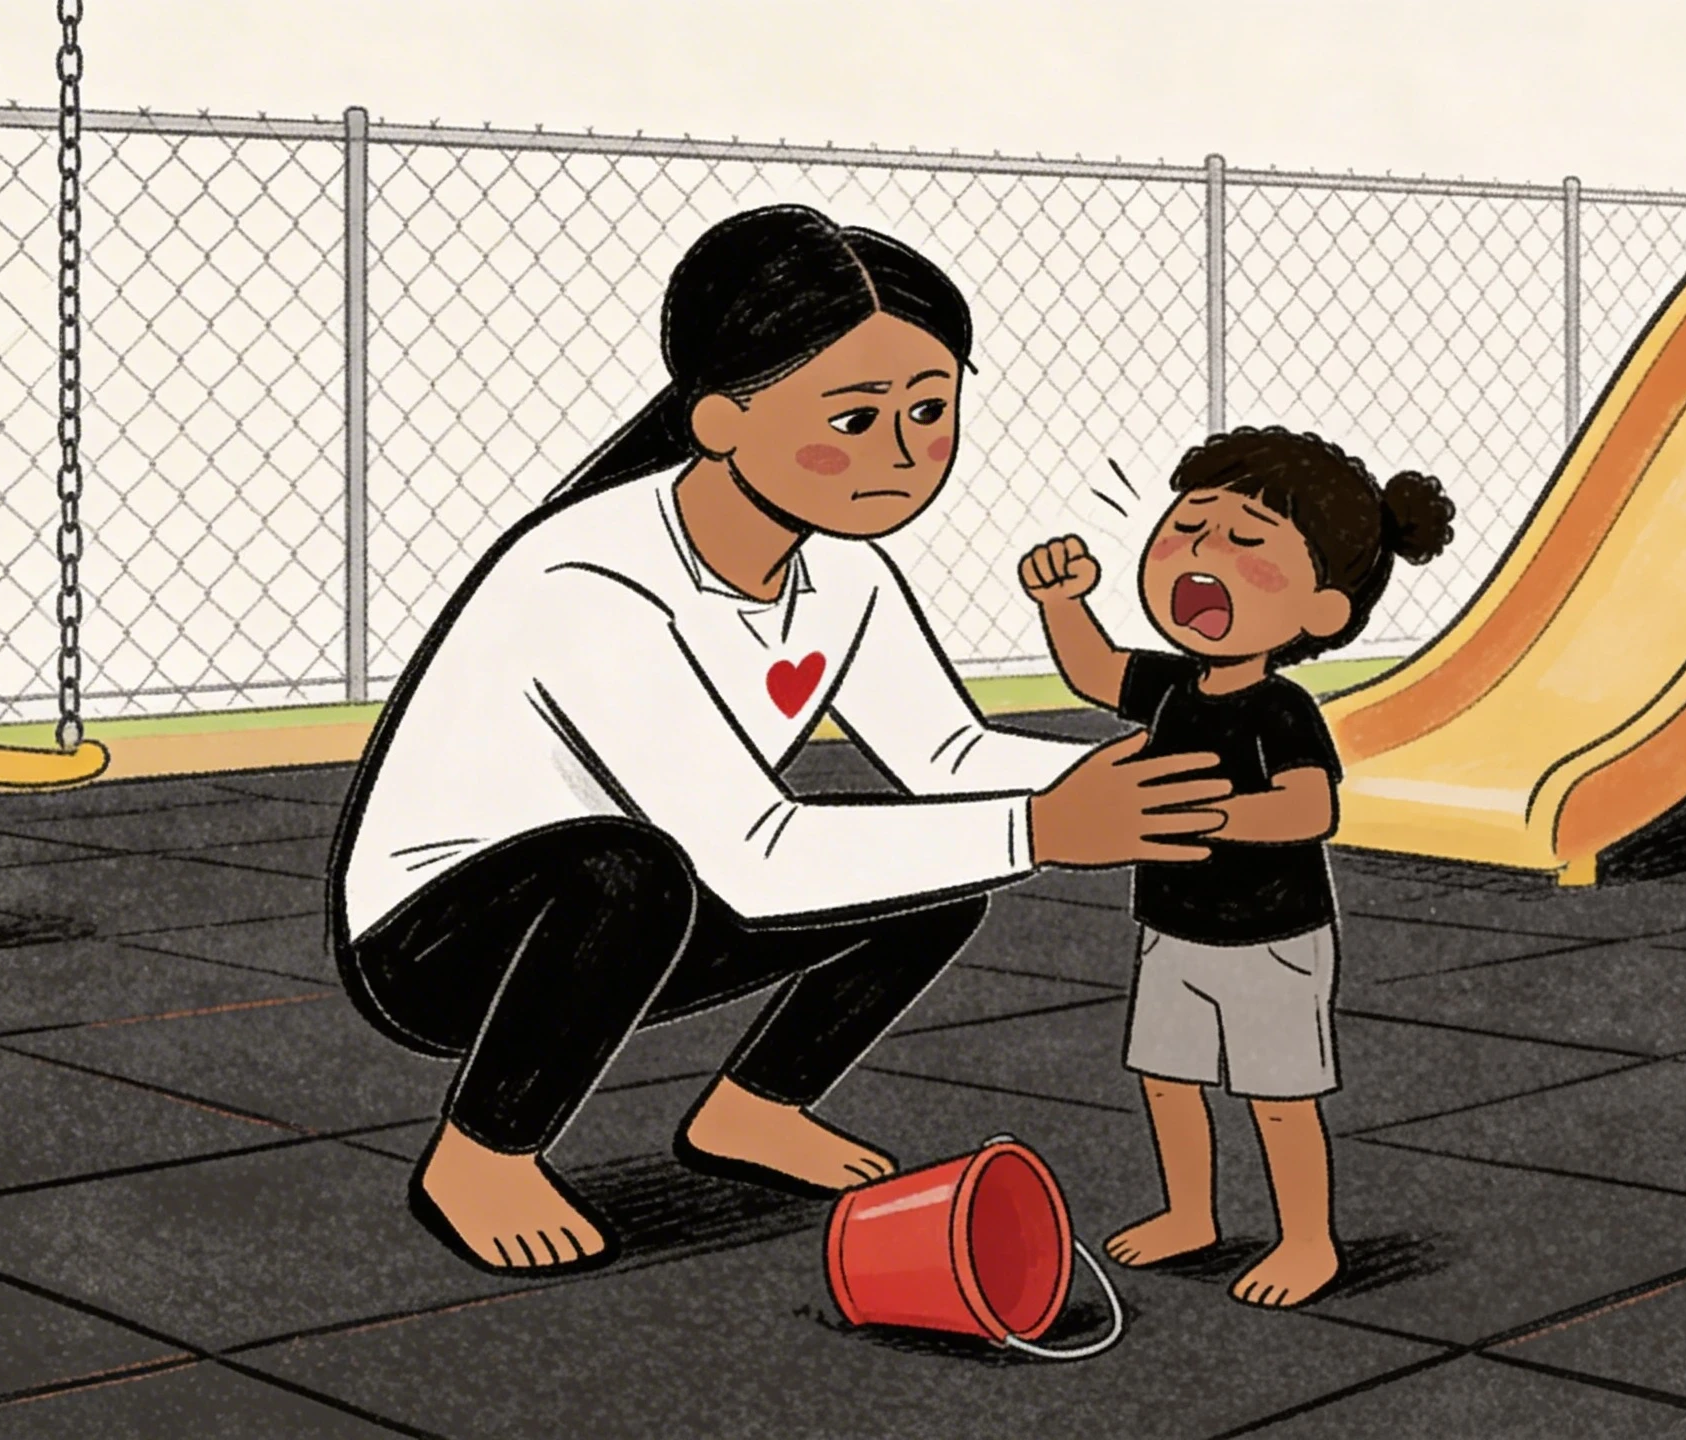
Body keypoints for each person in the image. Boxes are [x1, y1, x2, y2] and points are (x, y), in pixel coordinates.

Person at [328, 205, 1235, 1276]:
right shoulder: (588, 579)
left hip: (656, 914)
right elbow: (749, 857)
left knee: (939, 873)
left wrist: (1153, 776)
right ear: (719, 419)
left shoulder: (841, 569)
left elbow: (946, 755)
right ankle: (482, 1153)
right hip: (446, 946)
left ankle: (754, 1110)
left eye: (931, 410)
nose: (906, 455)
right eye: (854, 420)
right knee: (629, 874)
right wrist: (1045, 824)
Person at [1018, 427, 1455, 1308]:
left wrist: (1210, 815)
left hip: (1271, 938)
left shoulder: (1281, 707)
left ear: (1322, 610)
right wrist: (1061, 602)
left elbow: (1311, 809)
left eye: (1246, 540)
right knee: (1169, 1078)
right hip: (1173, 927)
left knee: (1277, 1097)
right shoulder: (1176, 684)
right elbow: (1095, 671)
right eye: (1188, 528)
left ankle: (1307, 1242)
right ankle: (1191, 1213)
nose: (1201, 554)